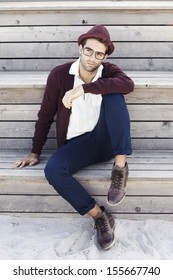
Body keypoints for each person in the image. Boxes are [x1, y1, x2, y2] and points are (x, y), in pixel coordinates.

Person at [15, 25, 134, 250]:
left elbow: (128, 84)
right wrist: (35, 151)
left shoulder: (108, 71)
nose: (92, 58)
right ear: (80, 48)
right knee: (53, 170)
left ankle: (120, 169)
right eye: (89, 51)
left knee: (115, 95)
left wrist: (85, 89)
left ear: (105, 56)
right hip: (77, 145)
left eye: (99, 54)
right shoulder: (60, 75)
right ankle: (100, 216)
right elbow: (46, 114)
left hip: (105, 141)